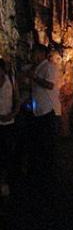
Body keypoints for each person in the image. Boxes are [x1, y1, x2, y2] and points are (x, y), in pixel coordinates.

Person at [21, 43, 61, 179]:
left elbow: (50, 85)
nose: (32, 56)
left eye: (34, 53)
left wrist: (34, 77)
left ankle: (50, 173)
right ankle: (39, 172)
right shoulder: (36, 68)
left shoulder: (50, 67)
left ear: (41, 53)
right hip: (38, 111)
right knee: (39, 143)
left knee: (49, 144)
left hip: (49, 111)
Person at [0, 58, 20, 196]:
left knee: (7, 152)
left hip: (8, 122)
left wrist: (13, 114)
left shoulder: (11, 80)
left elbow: (17, 99)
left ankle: (6, 181)